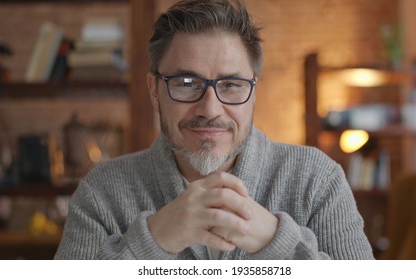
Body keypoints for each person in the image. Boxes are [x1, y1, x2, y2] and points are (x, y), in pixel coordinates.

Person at [55, 0, 374, 260]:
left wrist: (275, 241)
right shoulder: (101, 193)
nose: (209, 109)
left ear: (254, 91)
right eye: (186, 83)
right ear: (154, 91)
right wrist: (152, 240)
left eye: (232, 85)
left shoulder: (317, 180)